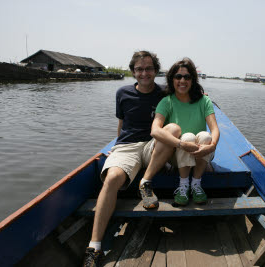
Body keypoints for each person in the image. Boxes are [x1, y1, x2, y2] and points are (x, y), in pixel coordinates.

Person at [83, 51, 180, 267]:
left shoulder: (165, 94)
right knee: (111, 179)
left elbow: (188, 95)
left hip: (153, 147)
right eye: (139, 69)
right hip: (127, 146)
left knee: (172, 129)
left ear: (155, 71)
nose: (144, 73)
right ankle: (94, 246)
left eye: (148, 68)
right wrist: (116, 147)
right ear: (133, 72)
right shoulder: (122, 93)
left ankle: (145, 183)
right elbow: (121, 124)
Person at [150, 57, 220, 206]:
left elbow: (214, 129)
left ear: (193, 80)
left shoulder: (204, 101)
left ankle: (196, 184)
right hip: (177, 154)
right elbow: (155, 130)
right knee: (187, 137)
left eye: (187, 77)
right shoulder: (166, 101)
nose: (182, 80)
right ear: (172, 79)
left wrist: (212, 145)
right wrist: (182, 144)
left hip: (200, 152)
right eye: (178, 76)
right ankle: (183, 186)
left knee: (206, 135)